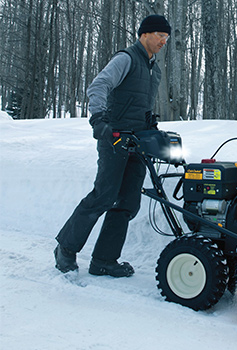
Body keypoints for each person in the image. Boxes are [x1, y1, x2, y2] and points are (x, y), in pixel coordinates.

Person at [54, 14, 171, 277]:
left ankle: (104, 260)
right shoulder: (126, 59)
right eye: (160, 36)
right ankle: (65, 247)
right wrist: (99, 120)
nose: (164, 41)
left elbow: (141, 106)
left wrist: (152, 131)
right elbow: (98, 86)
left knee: (128, 202)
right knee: (104, 196)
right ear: (144, 35)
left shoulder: (155, 69)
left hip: (137, 142)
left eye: (167, 38)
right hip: (115, 138)